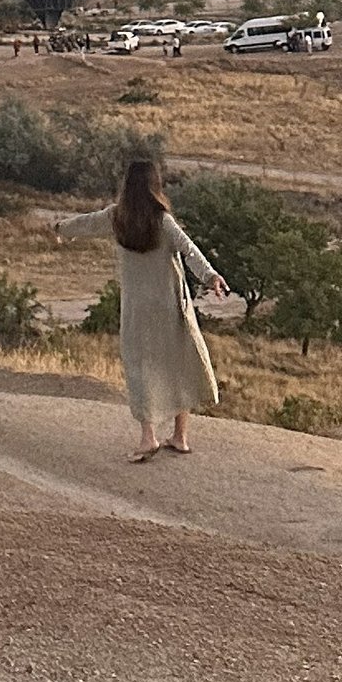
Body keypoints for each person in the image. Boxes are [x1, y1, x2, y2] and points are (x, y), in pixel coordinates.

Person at [56, 154, 232, 459]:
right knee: (177, 364)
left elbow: (86, 223)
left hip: (137, 309)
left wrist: (61, 228)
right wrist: (211, 276)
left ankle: (148, 436)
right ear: (155, 186)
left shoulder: (116, 218)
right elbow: (189, 250)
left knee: (141, 369)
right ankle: (180, 436)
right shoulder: (163, 221)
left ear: (127, 186)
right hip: (170, 305)